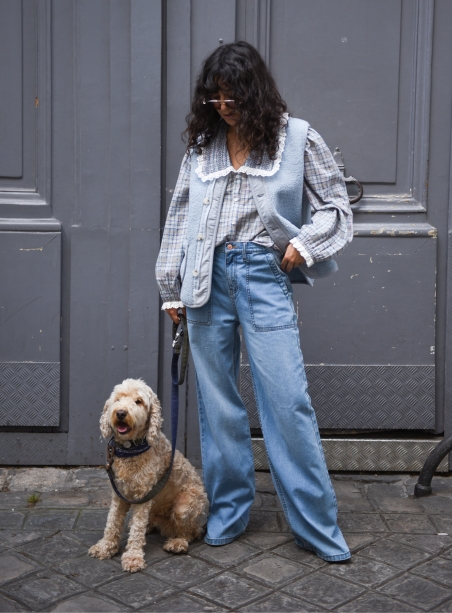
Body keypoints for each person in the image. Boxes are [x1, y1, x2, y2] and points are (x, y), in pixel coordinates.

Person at [156, 41, 352, 562]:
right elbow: (180, 216)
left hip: (263, 275)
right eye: (216, 98)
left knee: (288, 402)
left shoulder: (296, 139)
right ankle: (229, 511)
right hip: (204, 279)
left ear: (255, 92)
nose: (224, 107)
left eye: (233, 96)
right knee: (219, 409)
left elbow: (335, 207)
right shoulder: (203, 147)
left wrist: (303, 244)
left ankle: (316, 526)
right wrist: (170, 286)